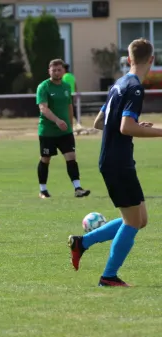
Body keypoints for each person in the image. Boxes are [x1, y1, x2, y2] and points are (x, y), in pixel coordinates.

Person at [68, 38, 159, 287]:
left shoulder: (118, 84)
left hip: (117, 160)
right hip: (117, 162)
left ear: (128, 59)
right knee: (132, 222)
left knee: (140, 219)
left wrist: (136, 126)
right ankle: (108, 277)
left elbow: (99, 122)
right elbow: (125, 127)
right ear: (152, 60)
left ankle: (82, 242)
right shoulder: (136, 88)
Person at [36, 59, 90, 199]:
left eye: (59, 69)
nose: (56, 72)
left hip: (65, 131)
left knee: (71, 156)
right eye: (54, 70)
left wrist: (70, 125)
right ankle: (43, 190)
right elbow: (43, 109)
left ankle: (78, 188)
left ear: (63, 71)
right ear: (49, 71)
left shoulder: (66, 86)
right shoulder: (43, 87)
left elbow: (69, 106)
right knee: (45, 159)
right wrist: (57, 120)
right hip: (48, 131)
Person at [62, 63, 82, 129]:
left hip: (66, 95)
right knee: (72, 108)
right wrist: (76, 94)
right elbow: (75, 85)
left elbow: (62, 86)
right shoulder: (72, 76)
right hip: (72, 94)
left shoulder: (63, 77)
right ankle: (78, 120)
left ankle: (69, 122)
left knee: (67, 108)